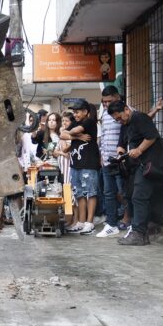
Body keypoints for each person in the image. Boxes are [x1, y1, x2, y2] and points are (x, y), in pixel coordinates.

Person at [108, 100, 163, 246]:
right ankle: (140, 233)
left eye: (119, 117)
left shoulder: (138, 117)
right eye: (115, 119)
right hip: (140, 165)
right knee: (136, 197)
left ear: (126, 109)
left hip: (150, 164)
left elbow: (152, 136)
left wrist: (139, 150)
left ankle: (139, 233)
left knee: (139, 197)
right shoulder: (130, 122)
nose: (118, 121)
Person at [61, 99, 100, 234]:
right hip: (75, 164)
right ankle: (81, 222)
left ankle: (90, 223)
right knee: (79, 194)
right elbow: (62, 135)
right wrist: (78, 138)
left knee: (91, 193)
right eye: (74, 112)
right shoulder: (76, 122)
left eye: (77, 112)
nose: (75, 115)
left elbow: (72, 131)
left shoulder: (89, 121)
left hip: (89, 163)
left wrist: (72, 133)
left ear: (85, 111)